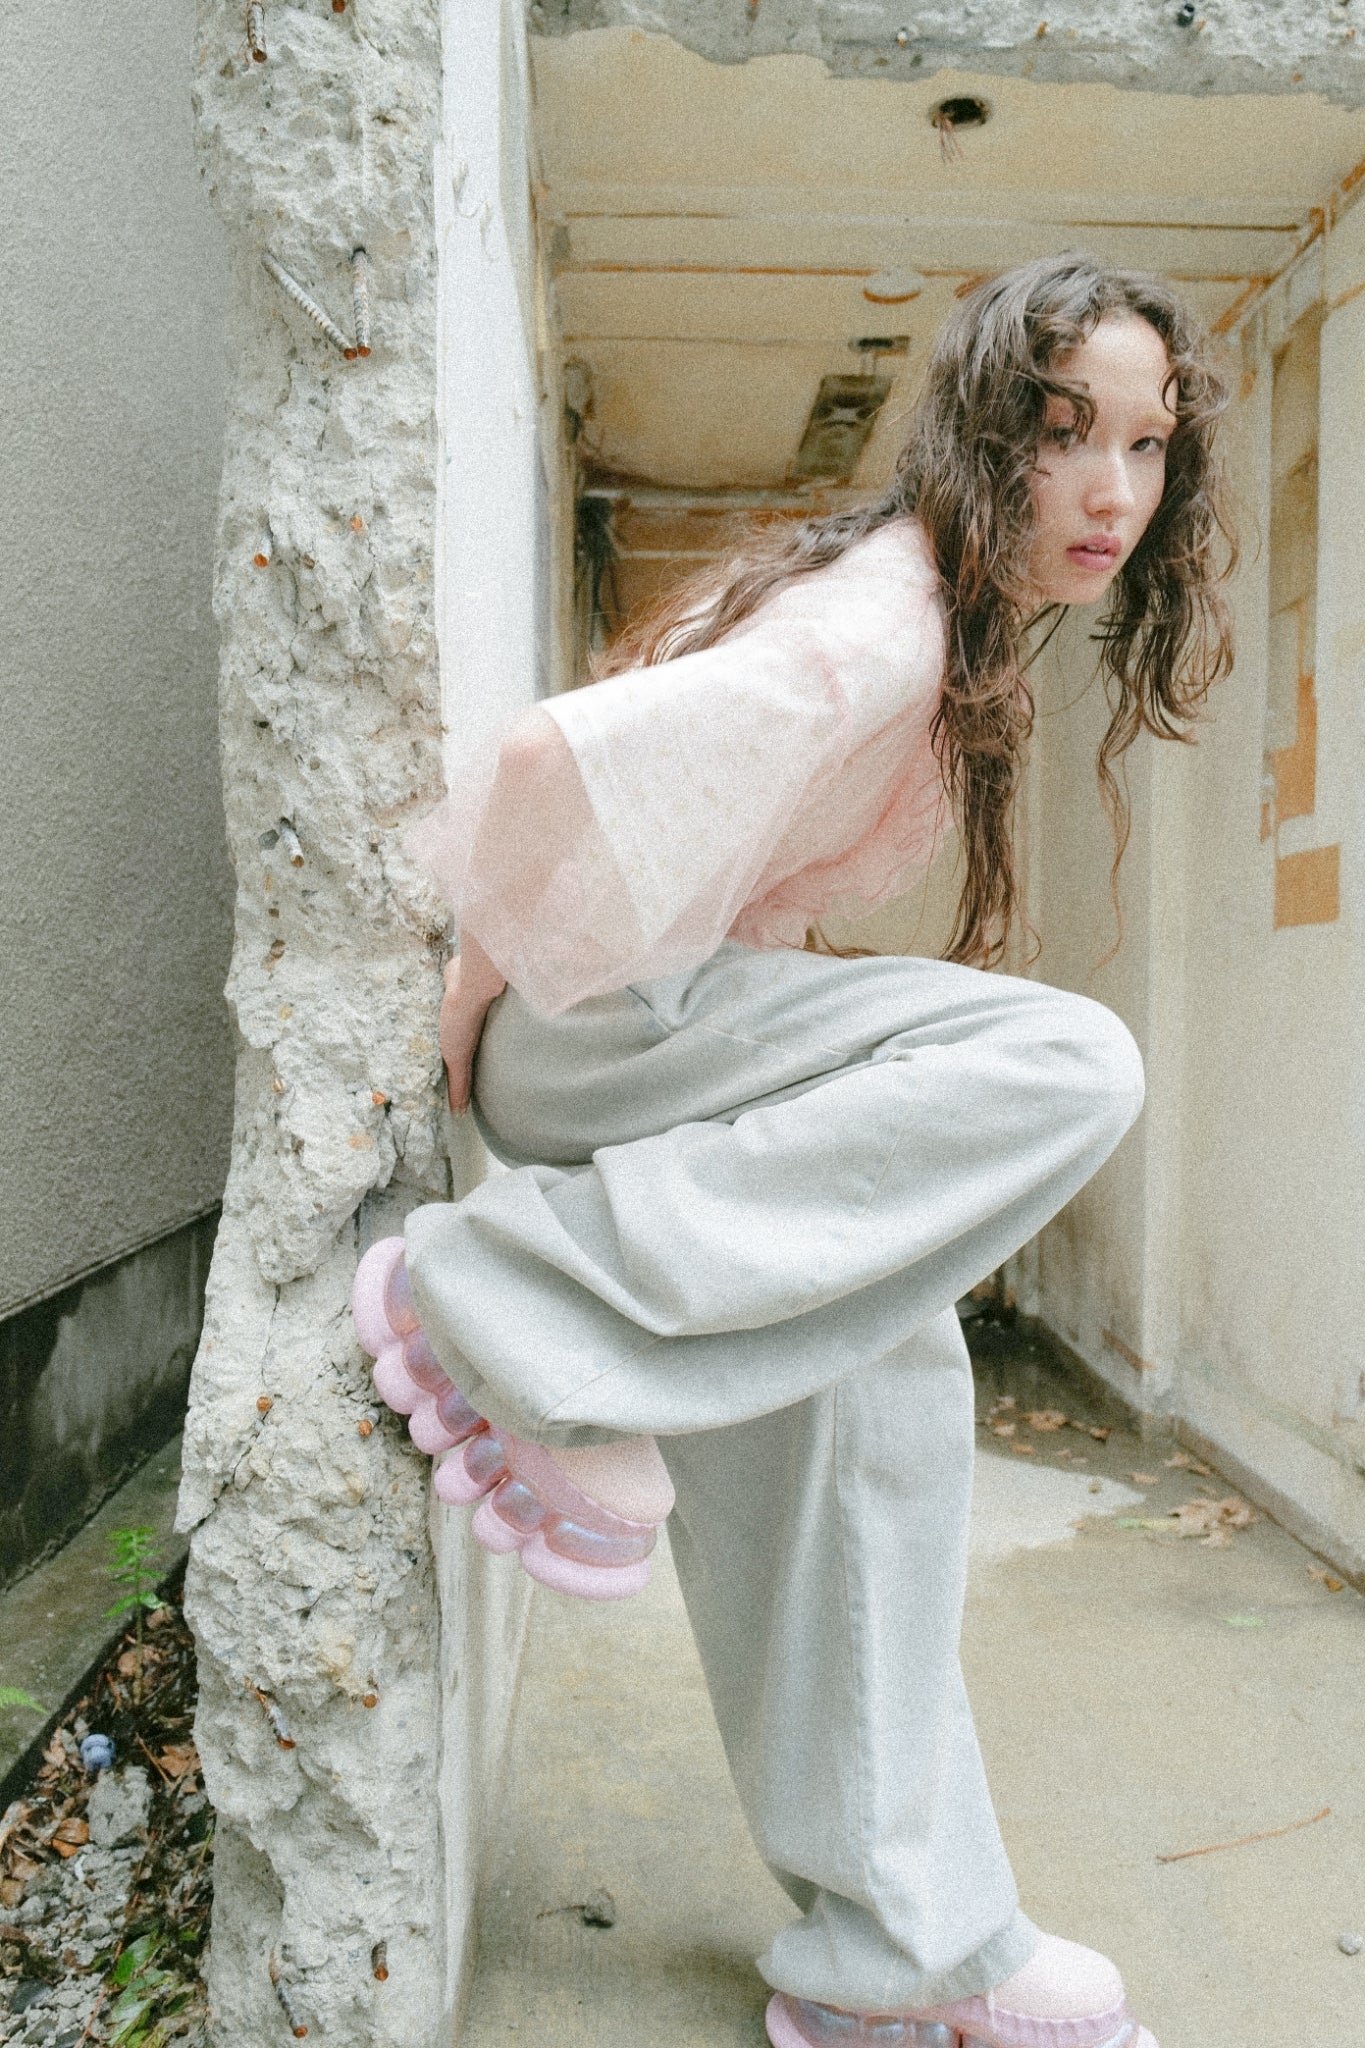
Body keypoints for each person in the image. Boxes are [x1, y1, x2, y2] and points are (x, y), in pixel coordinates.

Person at [351, 253, 1234, 2048]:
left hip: (637, 1039)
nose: (1110, 492)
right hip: (610, 1042)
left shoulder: (931, 620)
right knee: (1065, 1060)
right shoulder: (881, 625)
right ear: (984, 429)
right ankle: (515, 1310)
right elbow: (553, 765)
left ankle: (892, 1954)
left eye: (1144, 447)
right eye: (1064, 434)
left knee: (863, 1385)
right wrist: (459, 1019)